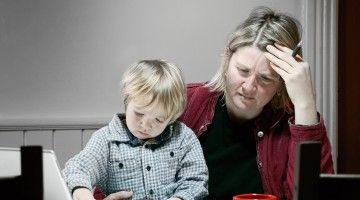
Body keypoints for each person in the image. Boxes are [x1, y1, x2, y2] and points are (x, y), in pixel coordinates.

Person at [178, 6, 334, 200]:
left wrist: (305, 104)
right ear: (227, 59)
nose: (249, 87)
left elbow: (313, 194)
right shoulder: (185, 102)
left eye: (266, 79)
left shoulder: (293, 120)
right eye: (243, 71)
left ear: (281, 83)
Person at [62, 59, 208, 200]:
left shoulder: (183, 137)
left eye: (158, 119)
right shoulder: (106, 140)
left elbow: (196, 179)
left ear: (171, 117)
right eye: (139, 113)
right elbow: (78, 168)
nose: (145, 125)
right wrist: (82, 194)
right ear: (127, 99)